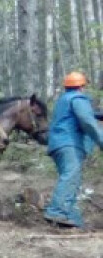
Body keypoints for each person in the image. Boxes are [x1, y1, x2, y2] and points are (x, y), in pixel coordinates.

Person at [43, 71, 103, 228]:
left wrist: (98, 115)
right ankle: (57, 211)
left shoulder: (64, 100)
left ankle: (70, 218)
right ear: (81, 87)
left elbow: (80, 115)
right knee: (71, 177)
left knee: (72, 179)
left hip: (58, 144)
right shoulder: (78, 99)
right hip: (69, 144)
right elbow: (87, 121)